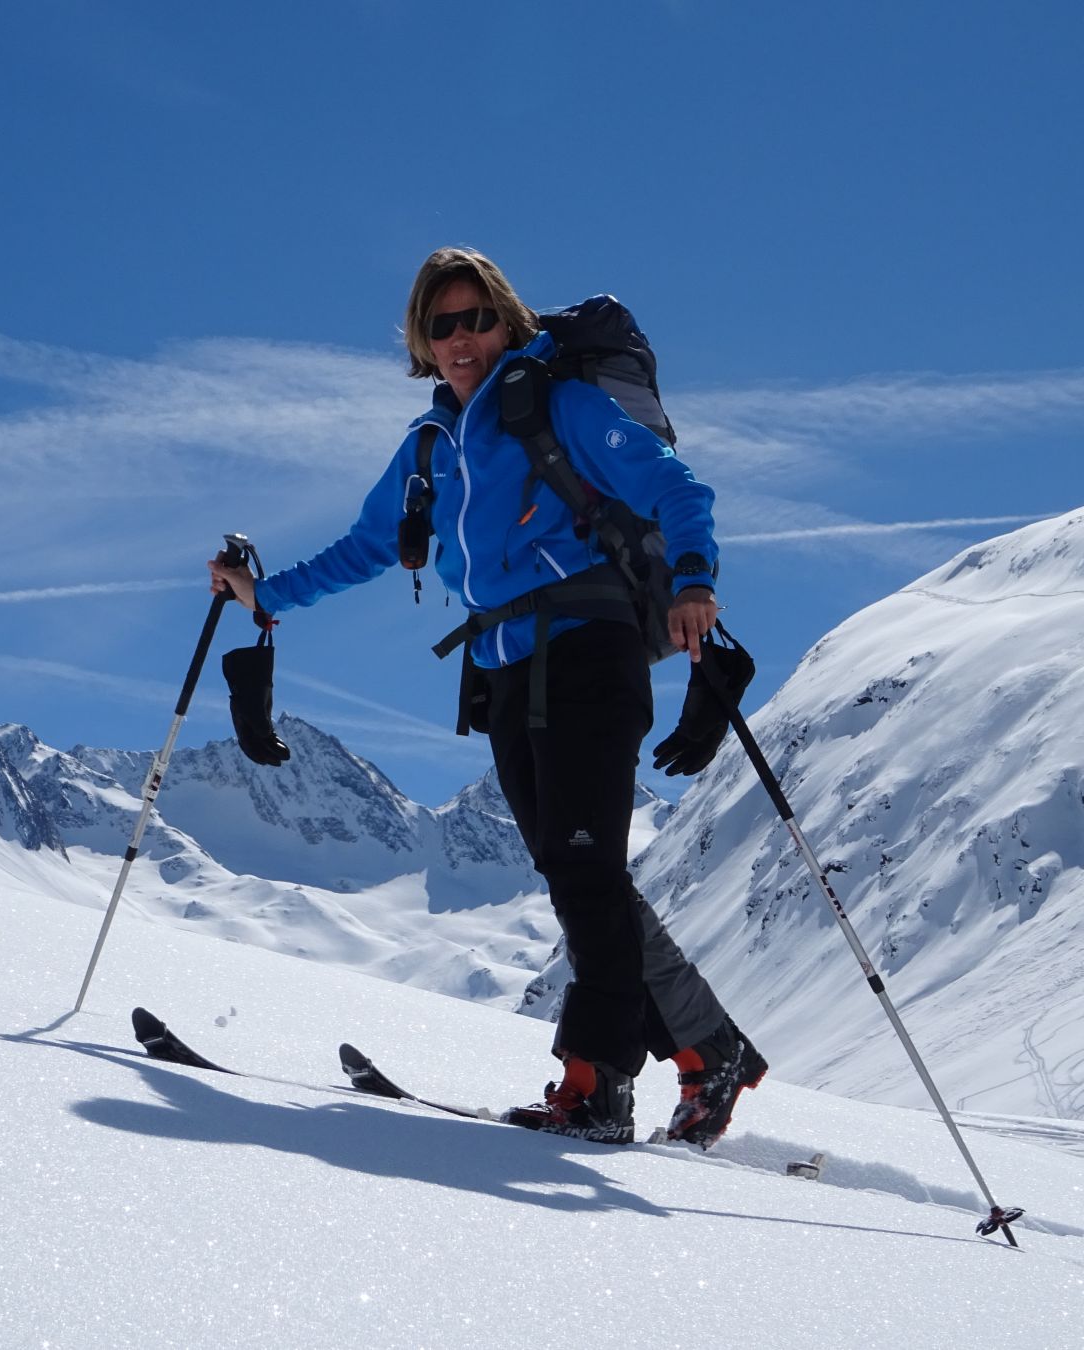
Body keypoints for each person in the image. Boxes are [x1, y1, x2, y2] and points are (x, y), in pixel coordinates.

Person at [209, 246, 765, 1148]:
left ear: (508, 322)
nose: (462, 339)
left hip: (591, 652)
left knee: (584, 871)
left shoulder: (559, 405)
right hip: (507, 674)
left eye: (477, 320)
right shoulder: (429, 450)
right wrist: (265, 597)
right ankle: (708, 1050)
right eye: (442, 325)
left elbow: (675, 485)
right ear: (421, 344)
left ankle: (595, 1089)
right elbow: (362, 548)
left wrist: (696, 578)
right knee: (576, 875)